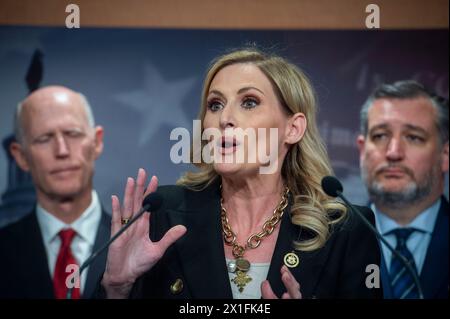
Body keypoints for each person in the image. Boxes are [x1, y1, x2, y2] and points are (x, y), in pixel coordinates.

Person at [100, 48, 382, 299]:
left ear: (292, 128)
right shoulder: (161, 215)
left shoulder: (345, 230)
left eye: (249, 102)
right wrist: (117, 288)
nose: (224, 119)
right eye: (215, 104)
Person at [0, 86, 111, 299]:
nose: (62, 150)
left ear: (96, 142)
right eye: (44, 139)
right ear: (21, 156)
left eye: (73, 134)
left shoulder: (136, 247)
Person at [357, 80, 449, 299]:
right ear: (362, 150)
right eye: (380, 136)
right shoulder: (327, 243)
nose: (393, 152)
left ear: (445, 155)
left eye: (413, 137)